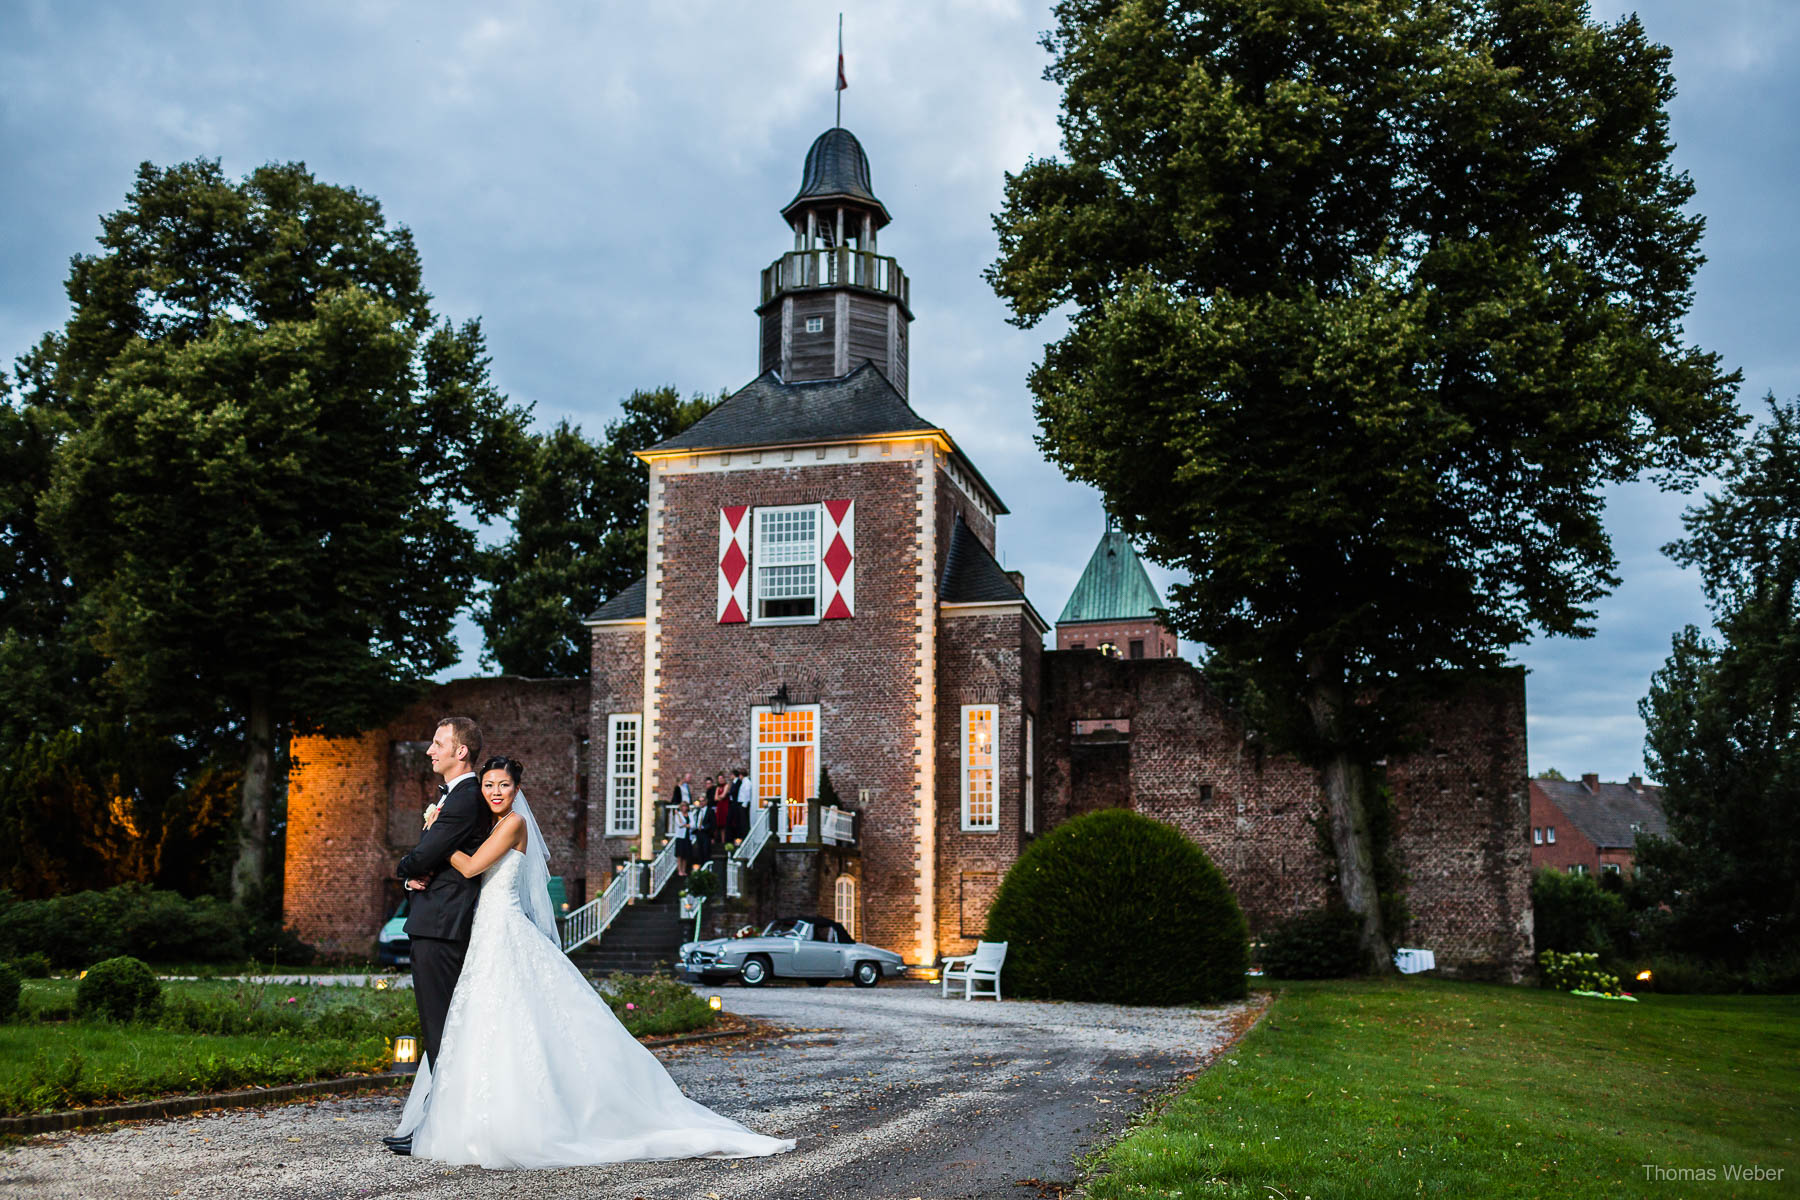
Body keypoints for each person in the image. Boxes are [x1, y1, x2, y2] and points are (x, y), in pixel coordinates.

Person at [390, 756, 792, 1168]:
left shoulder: (513, 824)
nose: (495, 791)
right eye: (489, 784)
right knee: (490, 1022)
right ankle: (483, 1112)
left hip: (505, 929)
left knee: (516, 1016)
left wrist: (437, 838)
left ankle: (536, 1118)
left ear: (517, 790)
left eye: (504, 785)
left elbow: (473, 866)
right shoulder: (489, 825)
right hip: (486, 931)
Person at [381, 714, 486, 1160]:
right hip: (437, 920)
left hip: (442, 926)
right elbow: (429, 858)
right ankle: (434, 1123)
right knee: (441, 1029)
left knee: (442, 1031)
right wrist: (413, 877)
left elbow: (424, 853)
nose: (430, 750)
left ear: (461, 751)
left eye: (439, 742)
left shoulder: (464, 799)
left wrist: (406, 868)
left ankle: (440, 1129)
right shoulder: (455, 797)